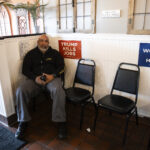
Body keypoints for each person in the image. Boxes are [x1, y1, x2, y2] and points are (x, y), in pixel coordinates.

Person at [15, 34, 67, 139]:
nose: (44, 43)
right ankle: (23, 121)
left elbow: (62, 67)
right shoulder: (30, 54)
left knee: (59, 91)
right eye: (42, 41)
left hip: (52, 80)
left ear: (48, 43)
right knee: (20, 90)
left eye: (46, 41)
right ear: (38, 42)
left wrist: (52, 76)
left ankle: (60, 121)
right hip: (35, 81)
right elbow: (25, 70)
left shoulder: (55, 53)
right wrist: (35, 78)